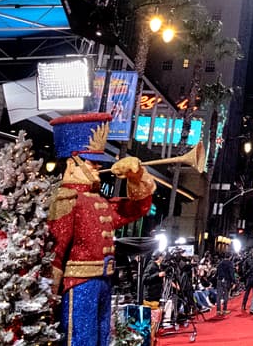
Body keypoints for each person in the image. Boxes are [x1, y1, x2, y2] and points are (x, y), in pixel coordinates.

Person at [46, 112, 156, 346]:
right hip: (79, 283)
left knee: (101, 338)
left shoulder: (97, 200)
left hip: (104, 280)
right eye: (90, 161)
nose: (97, 166)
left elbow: (137, 209)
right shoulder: (67, 198)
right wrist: (49, 295)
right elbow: (55, 249)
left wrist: (136, 177)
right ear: (73, 162)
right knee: (81, 339)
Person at [215, 251, 237, 315]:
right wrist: (234, 282)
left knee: (218, 296)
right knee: (226, 295)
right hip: (226, 281)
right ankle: (224, 310)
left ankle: (218, 311)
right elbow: (231, 274)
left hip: (219, 280)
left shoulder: (220, 263)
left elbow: (217, 273)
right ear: (230, 257)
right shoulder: (230, 263)